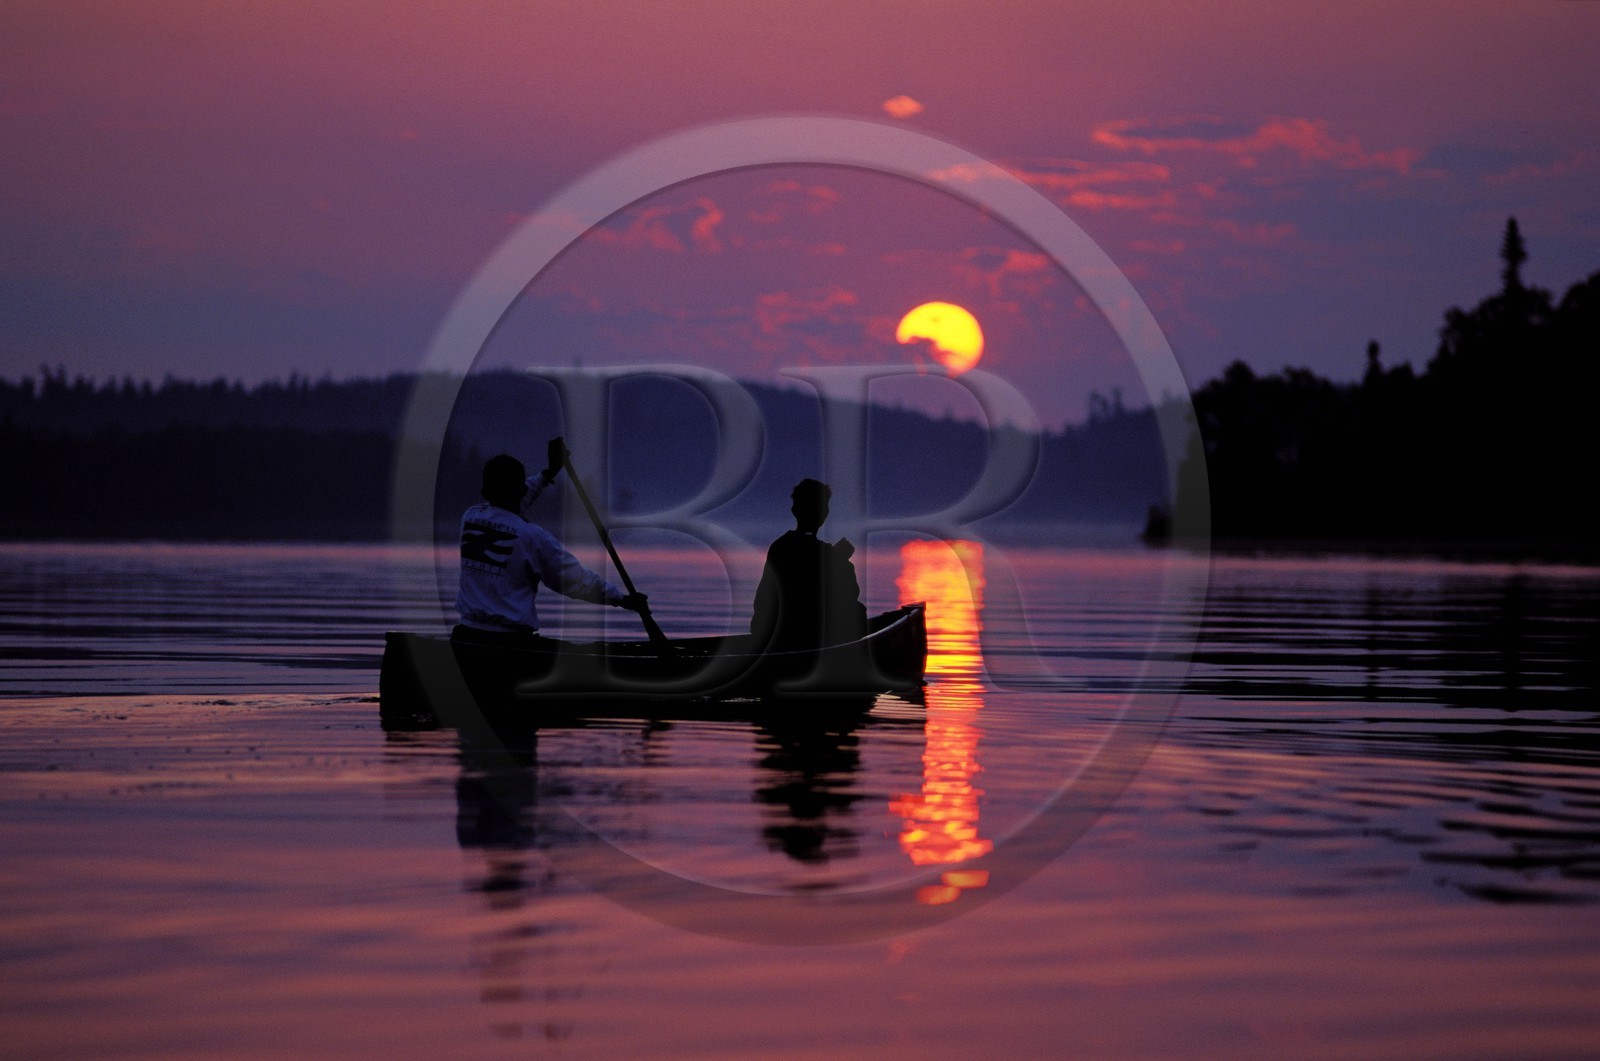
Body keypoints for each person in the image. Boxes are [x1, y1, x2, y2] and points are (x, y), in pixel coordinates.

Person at [455, 447, 646, 645]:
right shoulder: (533, 538)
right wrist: (622, 600)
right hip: (510, 641)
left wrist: (549, 473)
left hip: (465, 635)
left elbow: (510, 504)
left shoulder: (471, 517)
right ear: (520, 490)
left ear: (485, 491)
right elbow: (575, 580)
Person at [750, 478, 867, 652]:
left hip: (774, 636)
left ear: (794, 510)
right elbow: (849, 593)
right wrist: (840, 559)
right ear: (825, 513)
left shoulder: (779, 546)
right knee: (858, 610)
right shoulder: (825, 553)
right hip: (805, 636)